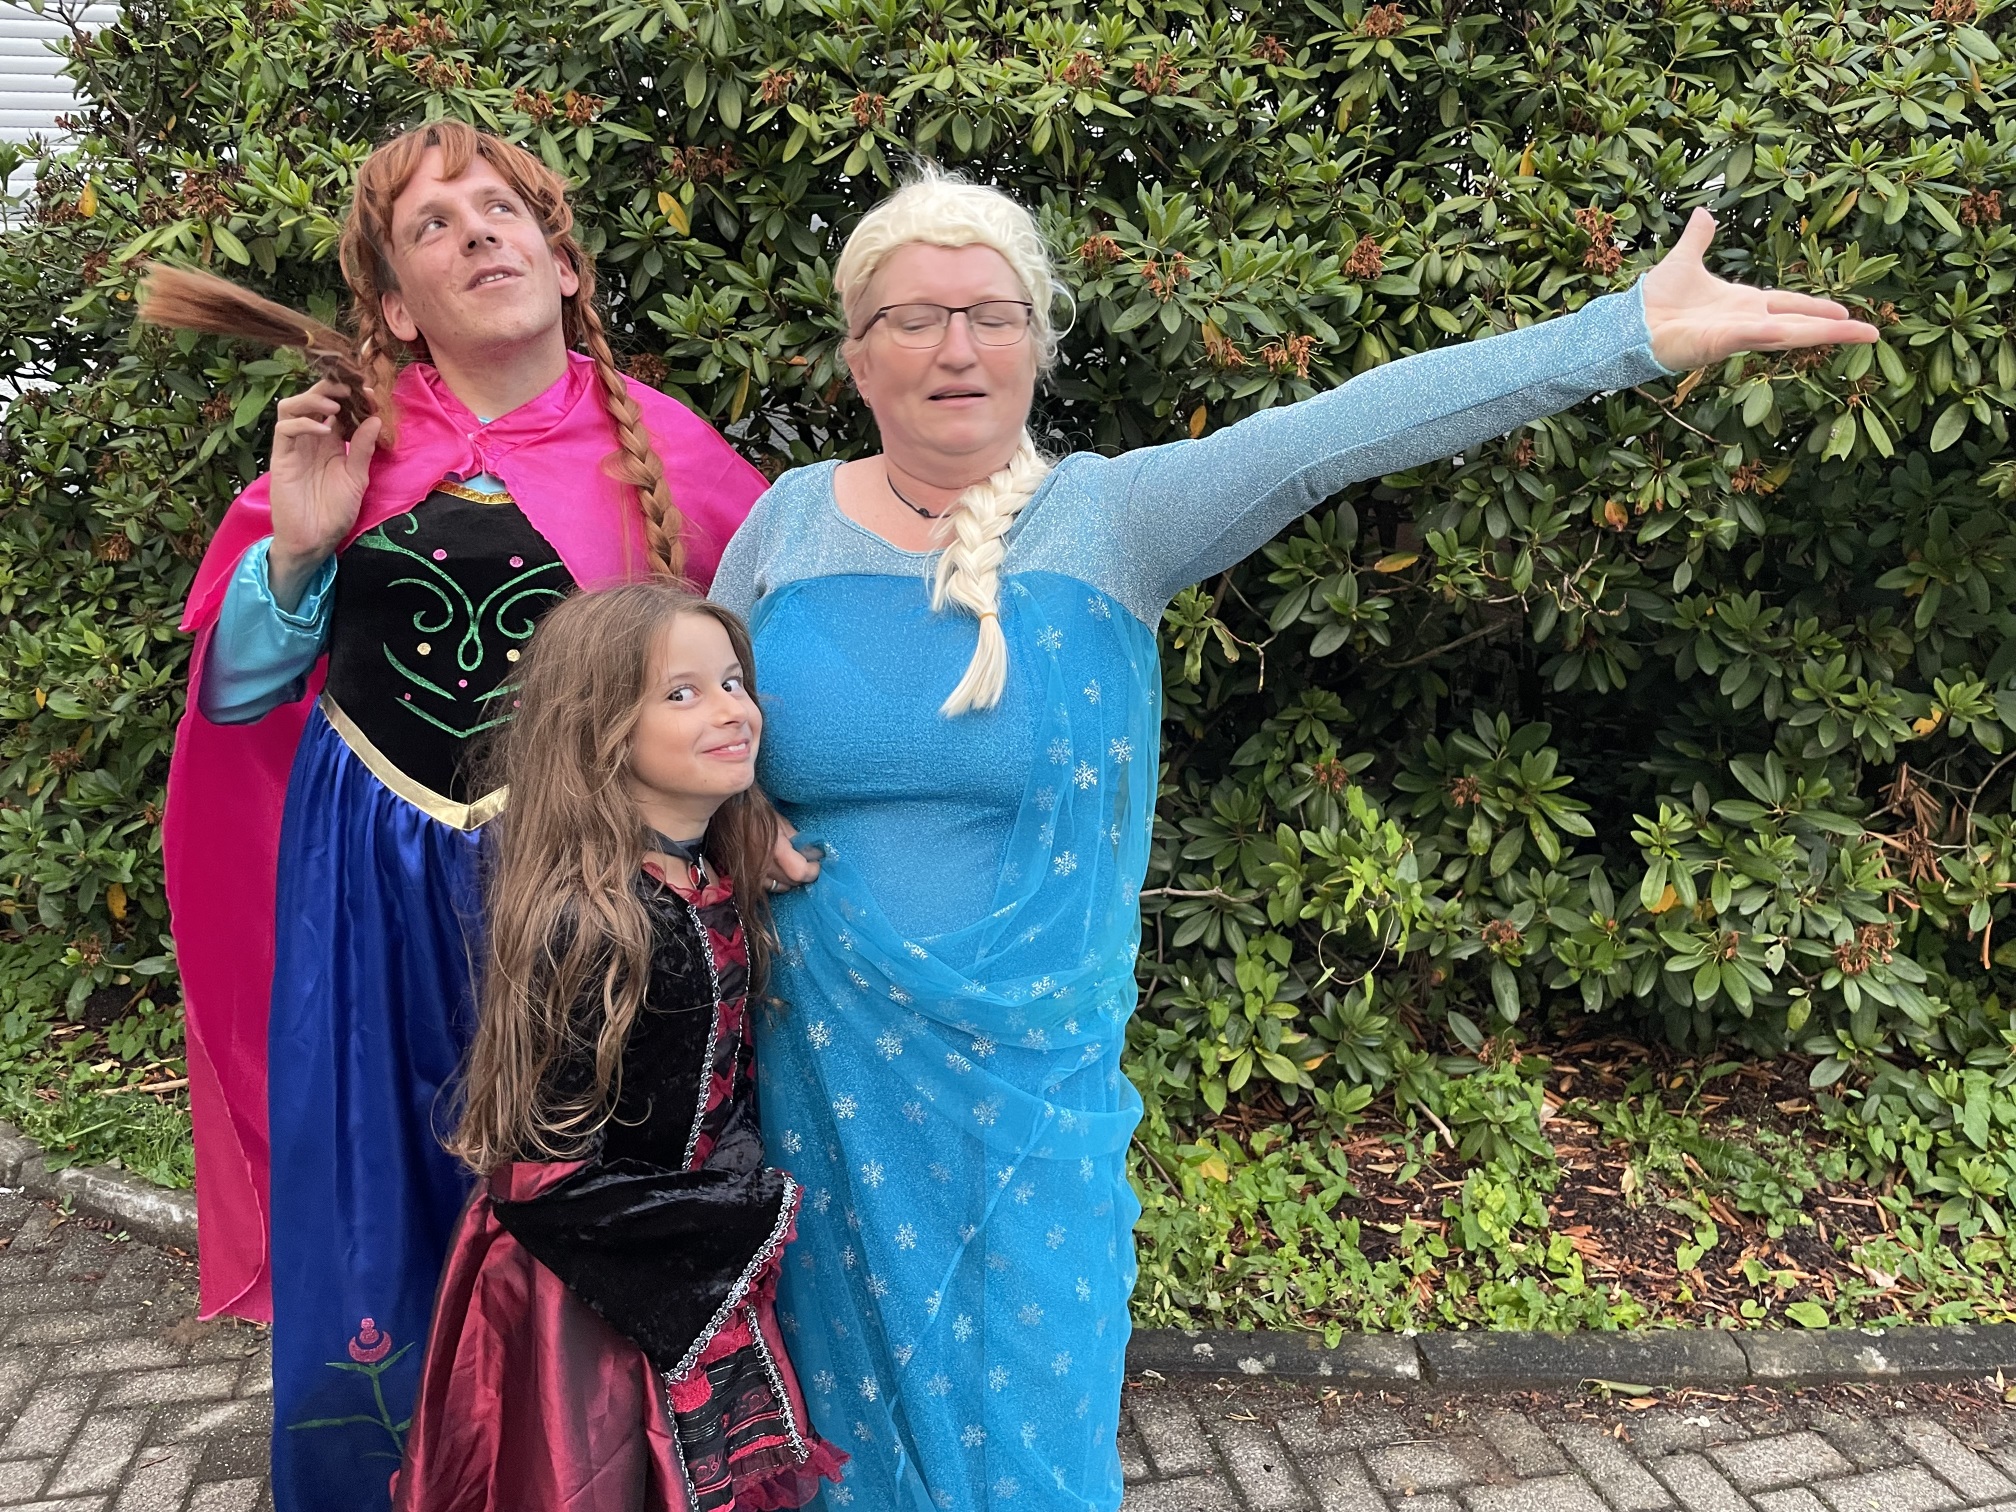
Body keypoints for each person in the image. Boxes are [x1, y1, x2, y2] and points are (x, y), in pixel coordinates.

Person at [708, 169, 1878, 1510]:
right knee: (835, 1420)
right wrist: (740, 815)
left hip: (1025, 1095)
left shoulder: (1110, 519)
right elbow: (683, 722)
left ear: (1038, 339)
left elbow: (1341, 431)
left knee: (1028, 1399)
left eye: (992, 313)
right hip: (821, 1076)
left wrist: (1623, 332)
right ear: (859, 356)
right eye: (914, 318)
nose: (956, 347)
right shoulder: (785, 523)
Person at [157, 122, 767, 1512]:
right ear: (393, 306)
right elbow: (238, 697)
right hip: (364, 910)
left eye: (502, 210)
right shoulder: (352, 451)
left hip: (583, 916)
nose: (477, 232)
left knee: (572, 1208)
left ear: (564, 264)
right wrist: (298, 549)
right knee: (376, 1200)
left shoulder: (666, 455)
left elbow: (748, 686)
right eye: (433, 226)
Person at [392, 581, 844, 1512]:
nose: (731, 710)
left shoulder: (697, 874)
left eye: (733, 682)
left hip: (678, 1258)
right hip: (585, 1297)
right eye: (681, 694)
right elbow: (540, 1175)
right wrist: (729, 1219)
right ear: (601, 732)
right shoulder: (592, 921)